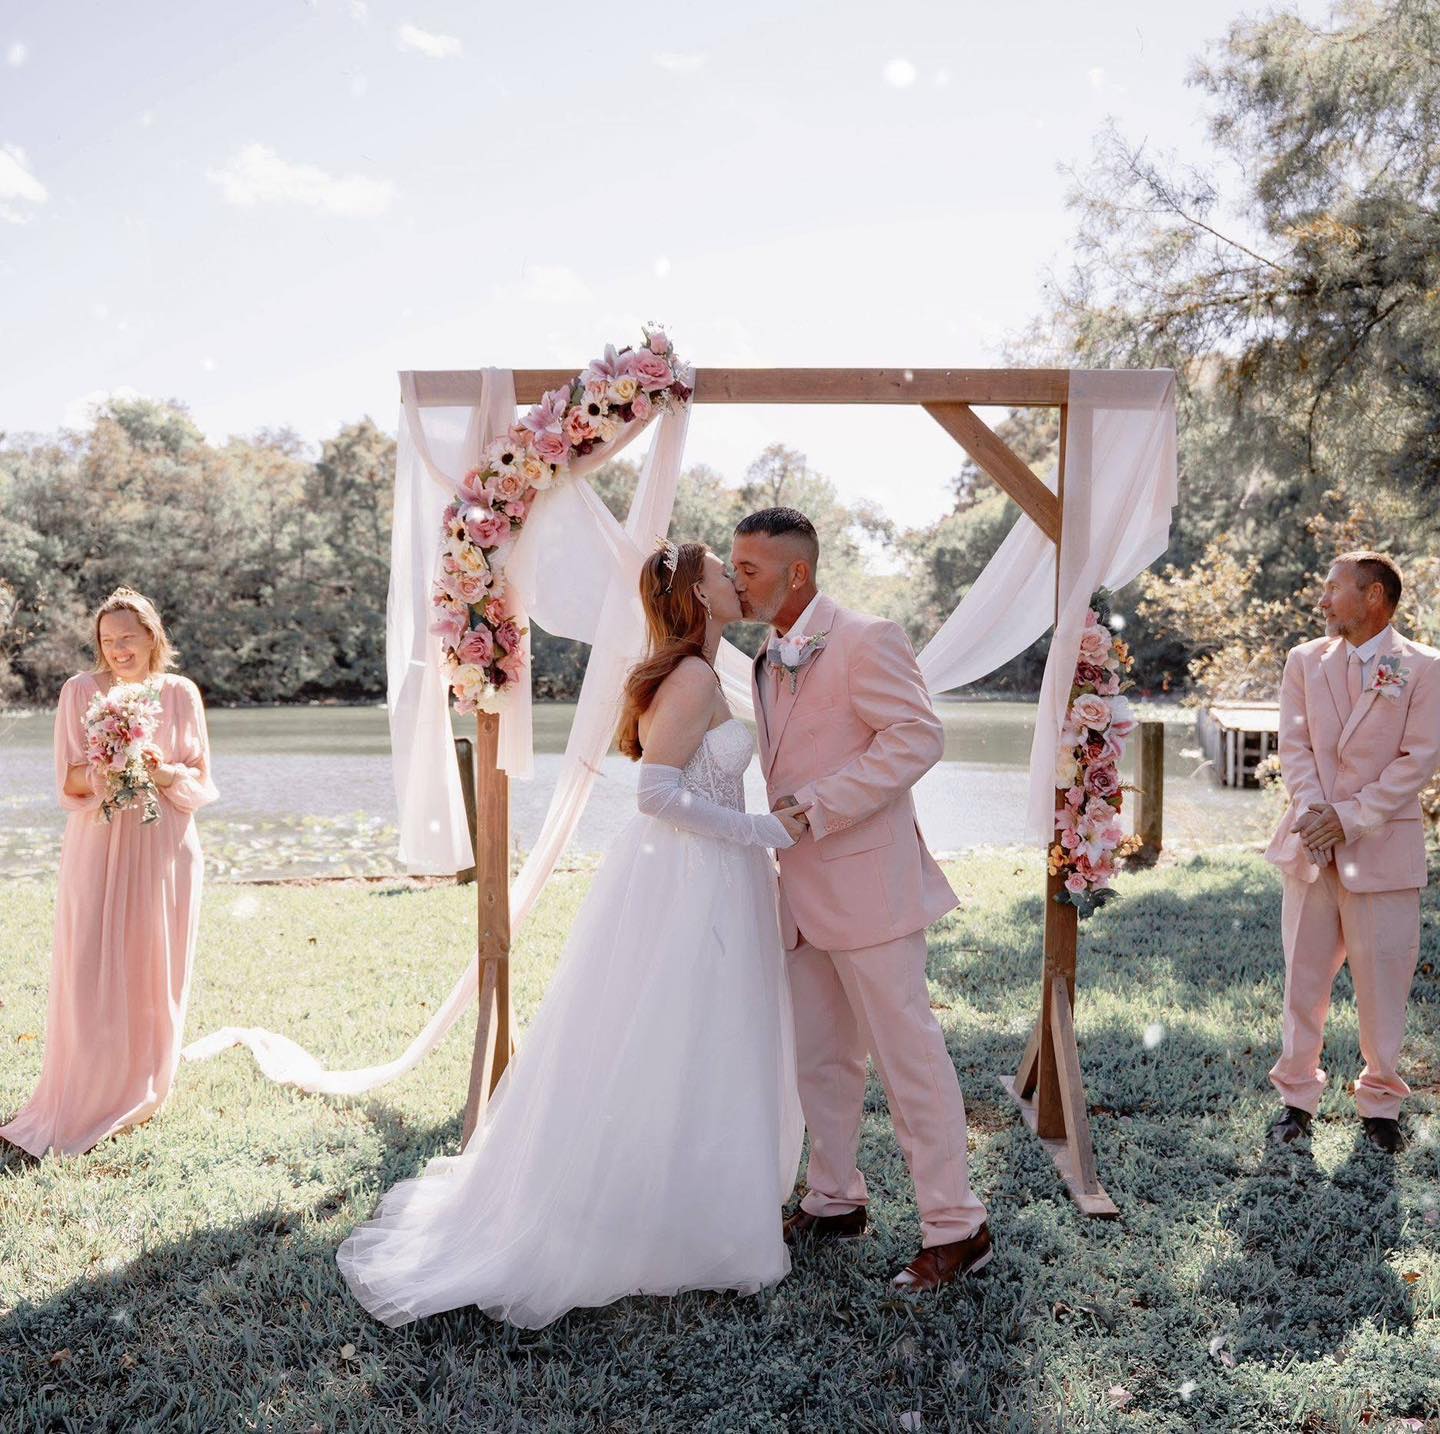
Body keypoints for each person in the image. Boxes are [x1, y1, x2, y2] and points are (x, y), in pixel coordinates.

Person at [337, 542, 808, 1329]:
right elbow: (655, 795)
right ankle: (672, 1221)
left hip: (713, 874)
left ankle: (693, 1204)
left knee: (701, 1040)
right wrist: (760, 827)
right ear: (698, 592)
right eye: (723, 571)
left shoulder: (704, 669)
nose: (736, 578)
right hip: (692, 878)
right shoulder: (689, 677)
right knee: (681, 1034)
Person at [730, 507, 993, 1291]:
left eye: (748, 567)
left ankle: (958, 1225)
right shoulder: (764, 654)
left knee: (908, 1059)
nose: (736, 580)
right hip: (801, 897)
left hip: (870, 887)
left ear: (796, 573)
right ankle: (835, 1197)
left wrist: (815, 805)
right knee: (822, 1058)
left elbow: (917, 737)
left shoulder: (867, 637)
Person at [0, 587, 217, 1158]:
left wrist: (160, 770)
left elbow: (200, 780)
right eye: (108, 640)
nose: (118, 649)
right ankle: (84, 1086)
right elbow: (67, 780)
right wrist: (107, 767)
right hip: (97, 843)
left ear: (152, 636)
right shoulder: (79, 691)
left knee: (152, 964)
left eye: (129, 637)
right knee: (90, 964)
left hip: (164, 846)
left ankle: (144, 1081)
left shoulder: (181, 693)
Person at [1265, 551, 1440, 1153]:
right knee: (1302, 980)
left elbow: (1416, 760)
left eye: (1332, 587)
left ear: (1372, 597)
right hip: (1312, 850)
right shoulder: (1303, 661)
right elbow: (1294, 744)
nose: (1321, 600)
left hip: (1383, 851)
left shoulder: (1423, 667)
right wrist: (1318, 814)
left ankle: (1381, 1107)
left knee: (1383, 982)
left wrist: (1350, 818)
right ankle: (1295, 1100)